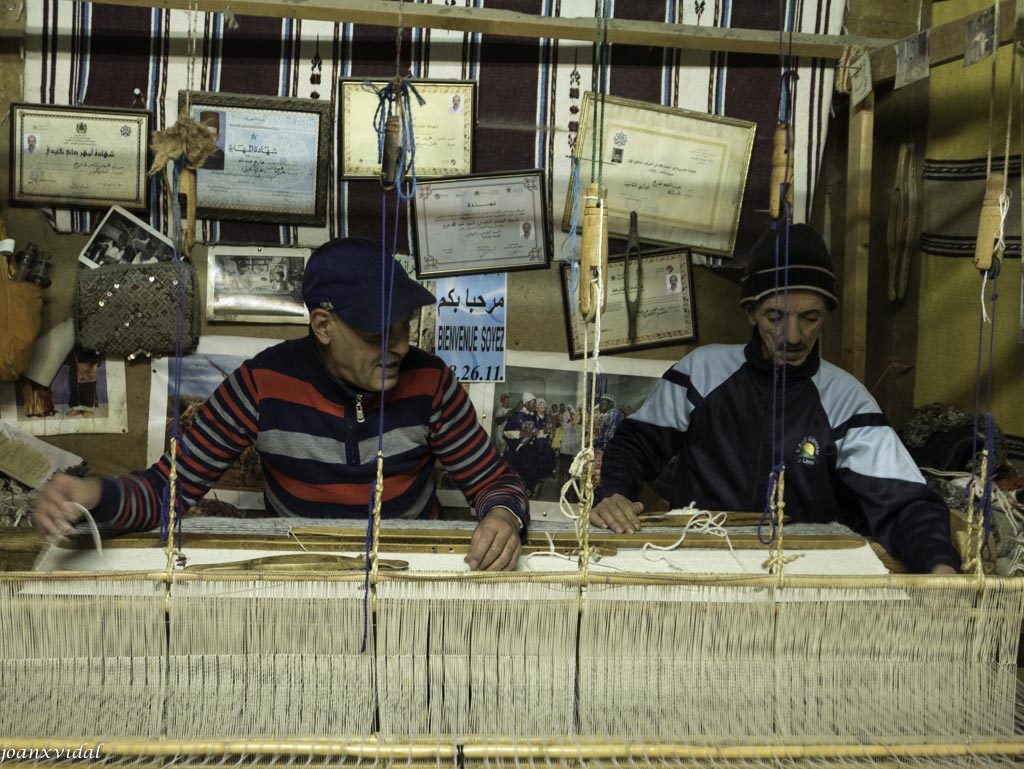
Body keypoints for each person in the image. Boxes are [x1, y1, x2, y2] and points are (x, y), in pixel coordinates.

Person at [33, 238, 529, 571]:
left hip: (413, 576)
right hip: (299, 575)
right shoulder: (261, 384)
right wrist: (92, 495)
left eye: (402, 325)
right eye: (379, 332)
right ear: (323, 326)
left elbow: (495, 481)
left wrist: (503, 517)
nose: (399, 344)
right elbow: (167, 491)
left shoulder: (431, 383)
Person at [590, 223, 960, 575]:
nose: (793, 335)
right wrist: (614, 494)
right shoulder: (702, 372)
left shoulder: (845, 399)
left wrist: (940, 565)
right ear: (751, 312)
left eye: (810, 317)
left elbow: (906, 501)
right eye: (775, 316)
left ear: (825, 315)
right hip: (702, 565)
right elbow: (636, 442)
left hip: (801, 575)